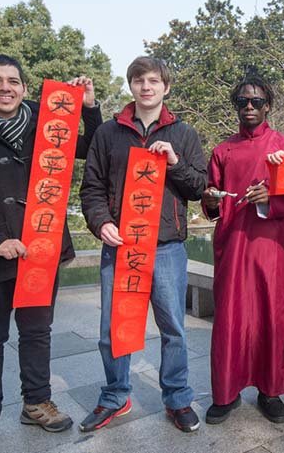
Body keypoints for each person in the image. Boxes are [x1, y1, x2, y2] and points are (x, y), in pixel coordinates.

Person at [0, 54, 102, 453]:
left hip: (41, 251)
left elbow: (92, 148)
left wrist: (91, 107)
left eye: (13, 81)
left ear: (26, 88)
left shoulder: (47, 123)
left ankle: (36, 402)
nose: (5, 88)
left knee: (36, 333)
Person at [79, 56, 207, 433]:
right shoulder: (108, 133)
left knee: (173, 329)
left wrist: (175, 162)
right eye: (139, 80)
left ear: (166, 87)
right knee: (114, 328)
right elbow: (92, 188)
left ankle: (178, 398)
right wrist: (101, 222)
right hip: (121, 247)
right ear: (131, 86)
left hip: (166, 248)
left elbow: (198, 188)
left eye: (154, 81)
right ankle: (115, 396)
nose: (146, 87)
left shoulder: (184, 133)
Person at [200, 73, 284, 425]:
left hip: (272, 247)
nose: (249, 107)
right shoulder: (222, 150)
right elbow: (211, 200)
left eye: (256, 101)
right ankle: (226, 392)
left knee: (270, 316)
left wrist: (271, 198)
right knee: (230, 318)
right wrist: (211, 199)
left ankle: (270, 390)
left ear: (268, 106)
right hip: (232, 244)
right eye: (243, 101)